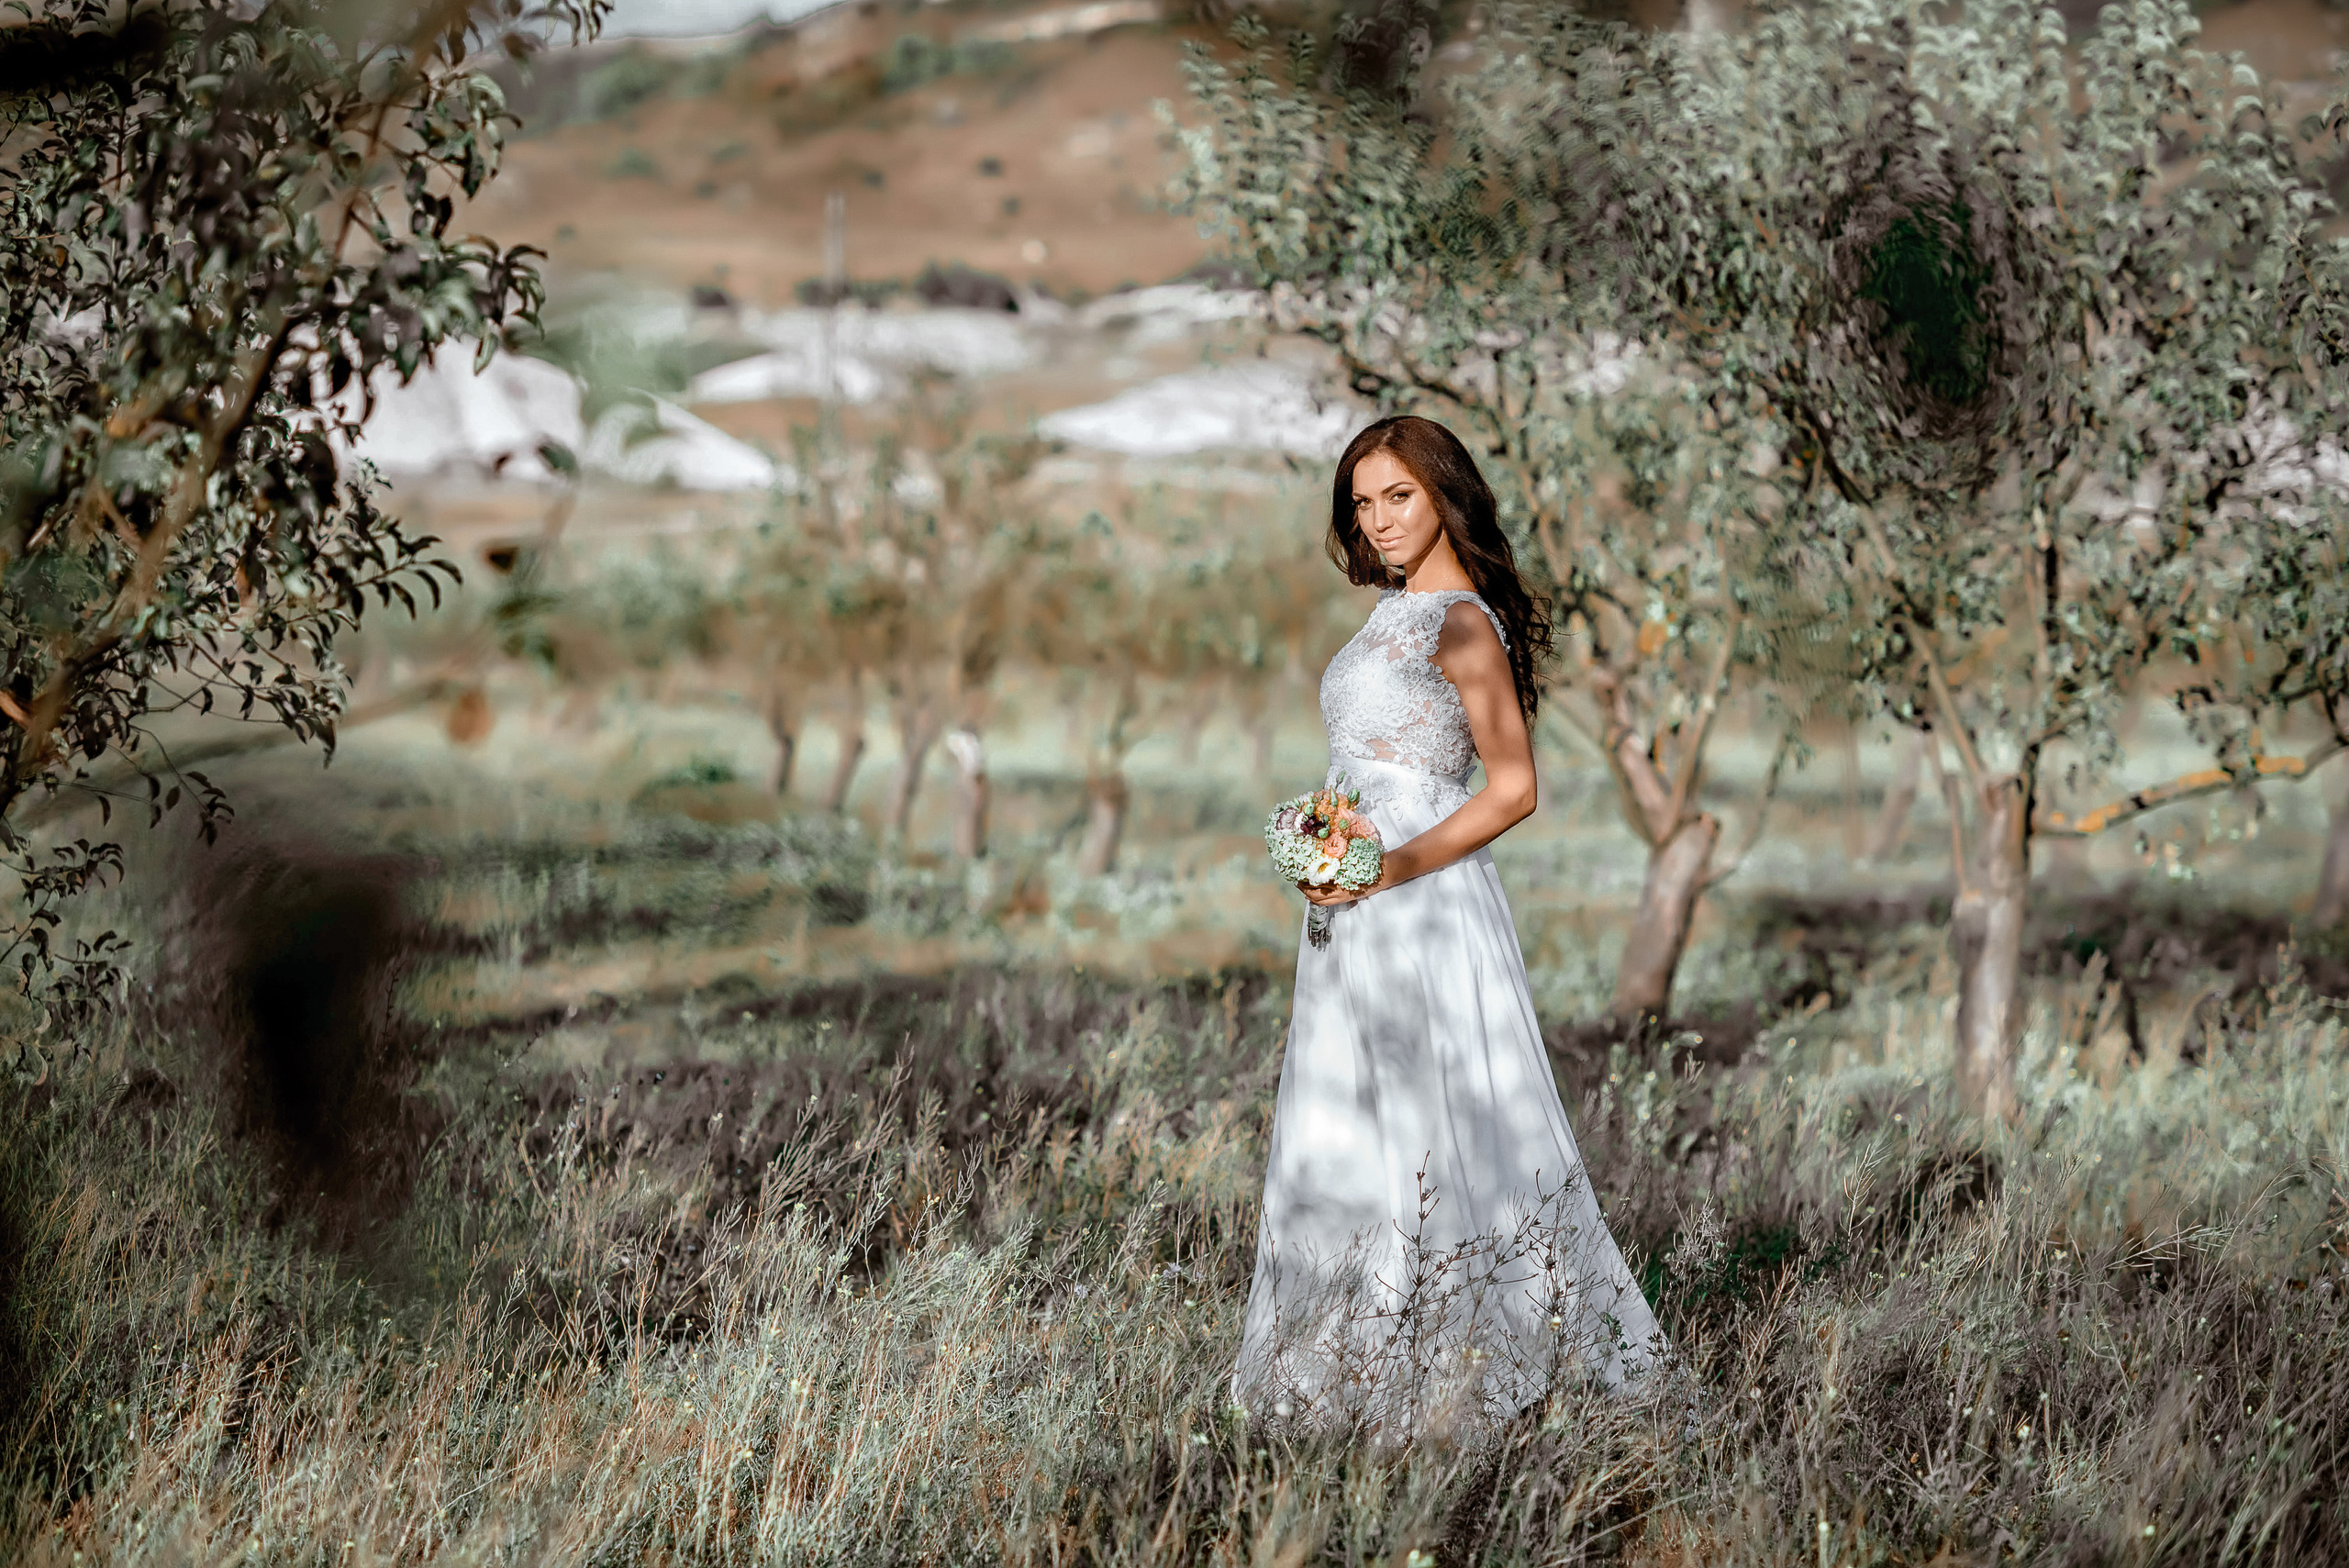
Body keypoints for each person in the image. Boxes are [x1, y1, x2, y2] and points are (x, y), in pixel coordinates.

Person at [1233, 415, 1665, 1433]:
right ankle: (1343, 1357)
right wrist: (1325, 841)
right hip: (1352, 905)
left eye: (1398, 497)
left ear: (1442, 496)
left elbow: (1512, 788)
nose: (1377, 521)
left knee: (1435, 1123)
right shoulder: (1392, 611)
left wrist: (1385, 864)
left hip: (1420, 902)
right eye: (1361, 502)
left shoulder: (1462, 622)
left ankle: (1457, 1367)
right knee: (1350, 1117)